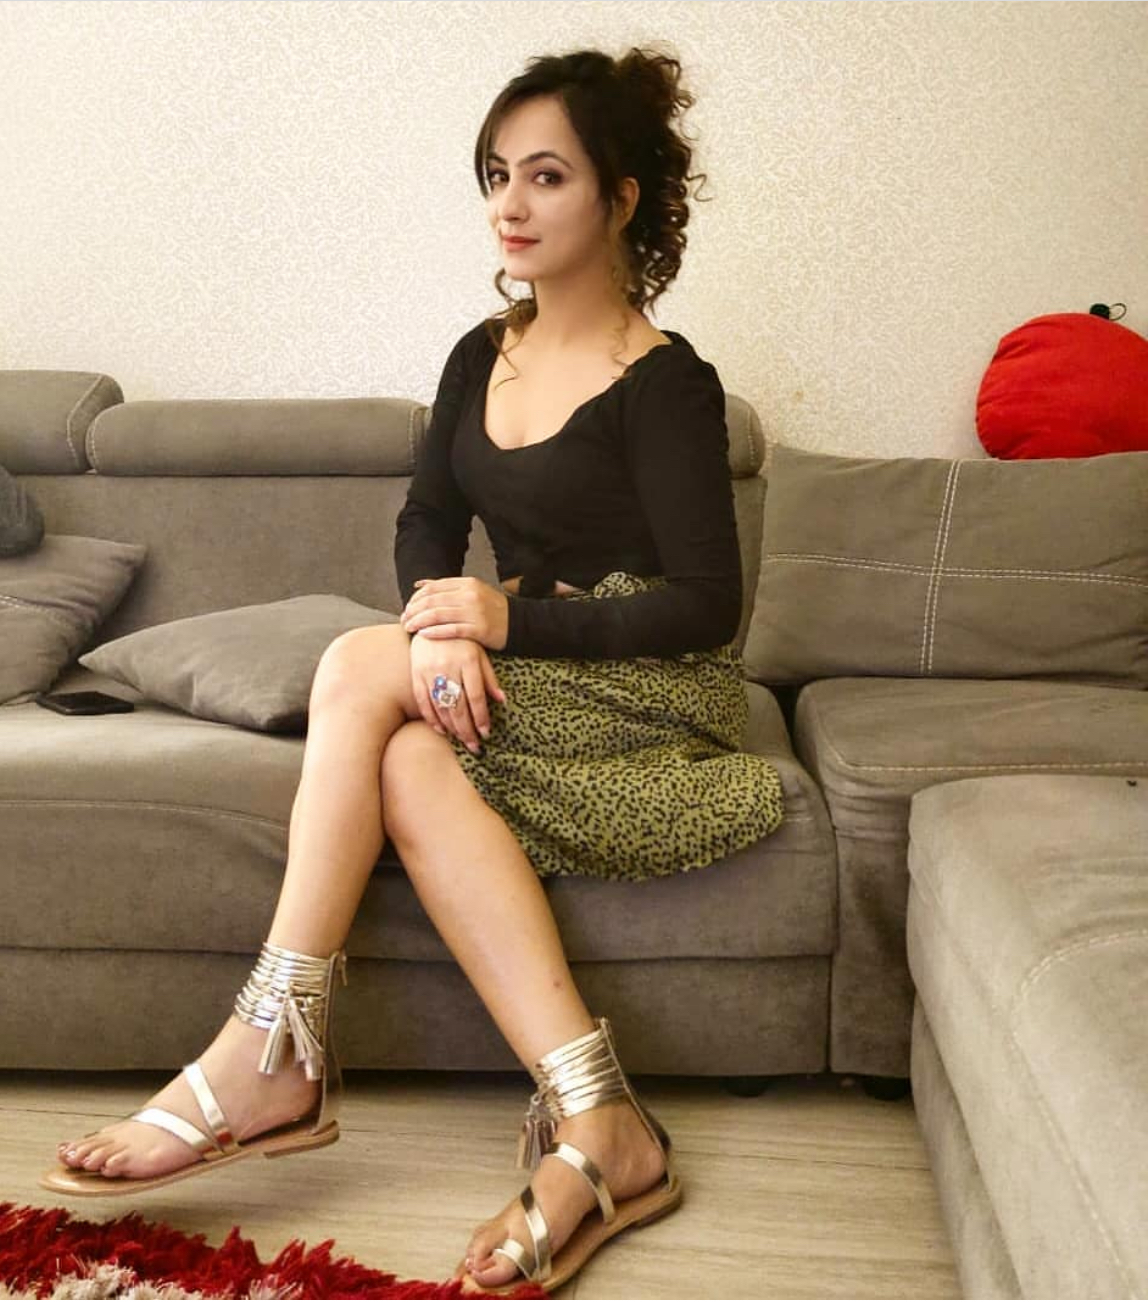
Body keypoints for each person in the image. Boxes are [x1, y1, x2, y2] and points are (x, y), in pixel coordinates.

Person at [41, 45, 784, 1295]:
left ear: (622, 198)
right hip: (528, 669)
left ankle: (267, 1051)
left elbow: (709, 607)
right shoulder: (478, 355)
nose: (510, 205)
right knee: (397, 751)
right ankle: (603, 1119)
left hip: (657, 692)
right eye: (496, 175)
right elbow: (426, 522)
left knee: (353, 664)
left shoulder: (668, 384)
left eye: (547, 176)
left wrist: (500, 623)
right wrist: (439, 627)